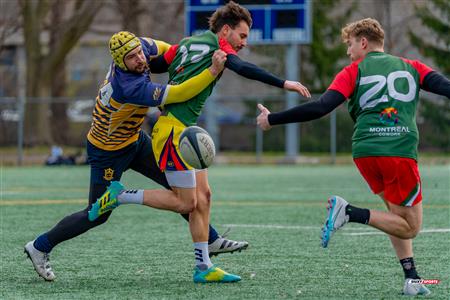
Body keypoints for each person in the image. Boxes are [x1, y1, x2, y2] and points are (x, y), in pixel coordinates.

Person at [89, 1, 310, 283]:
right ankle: (120, 196)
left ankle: (203, 267)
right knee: (185, 203)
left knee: (204, 199)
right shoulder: (219, 50)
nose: (243, 43)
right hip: (172, 132)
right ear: (226, 30)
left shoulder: (188, 42)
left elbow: (156, 63)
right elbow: (243, 68)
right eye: (241, 36)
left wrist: (131, 64)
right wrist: (284, 83)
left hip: (185, 129)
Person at [24, 31, 248, 282]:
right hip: (107, 152)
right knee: (98, 213)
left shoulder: (140, 46)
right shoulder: (128, 86)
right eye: (132, 58)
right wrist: (212, 72)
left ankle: (211, 239)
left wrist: (195, 52)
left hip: (134, 140)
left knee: (178, 189)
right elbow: (180, 93)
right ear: (120, 62)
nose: (140, 59)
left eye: (139, 53)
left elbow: (172, 51)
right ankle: (40, 246)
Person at [257, 18, 450, 296]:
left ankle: (412, 277)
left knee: (395, 216)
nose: (348, 51)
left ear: (363, 42)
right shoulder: (412, 67)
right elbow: (446, 88)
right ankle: (348, 212)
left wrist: (273, 119)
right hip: (397, 152)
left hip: (365, 153)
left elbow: (320, 108)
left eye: (349, 45)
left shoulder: (353, 71)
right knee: (410, 227)